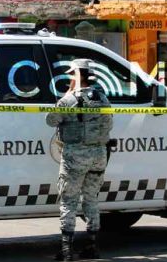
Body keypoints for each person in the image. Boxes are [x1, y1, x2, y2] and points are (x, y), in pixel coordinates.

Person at [46, 59, 113, 261]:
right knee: (91, 199)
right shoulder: (103, 98)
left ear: (76, 75)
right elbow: (108, 125)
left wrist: (67, 94)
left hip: (75, 156)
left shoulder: (69, 101)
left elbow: (50, 120)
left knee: (69, 200)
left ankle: (67, 250)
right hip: (99, 155)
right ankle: (92, 245)